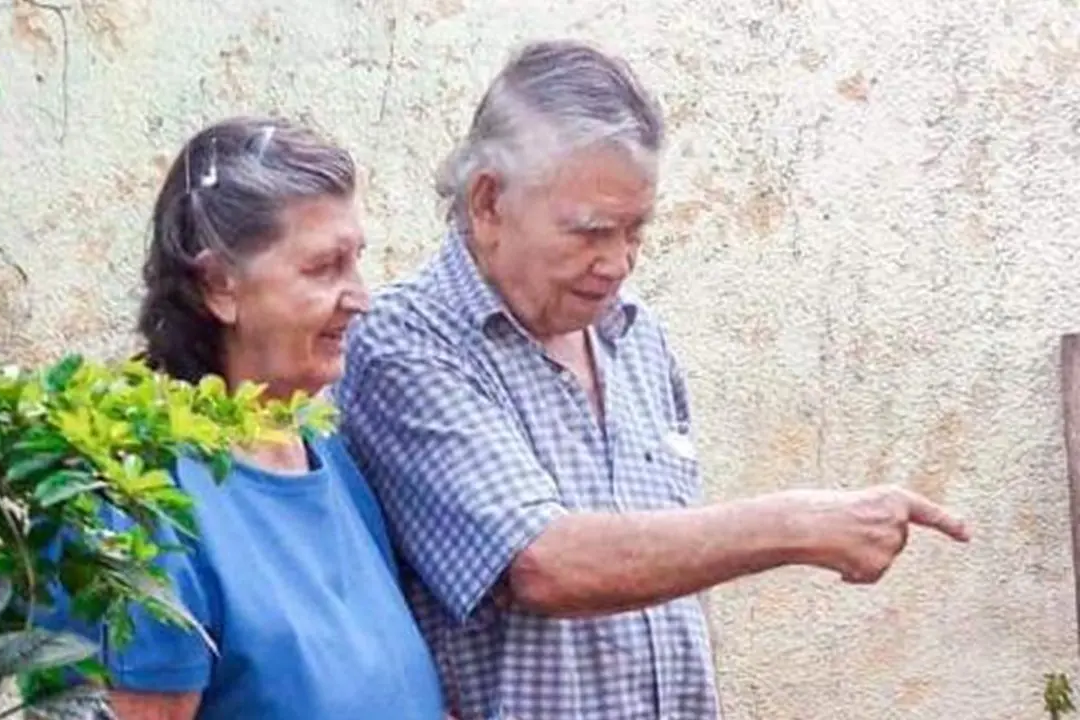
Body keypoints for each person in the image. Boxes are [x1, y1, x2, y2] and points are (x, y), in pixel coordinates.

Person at [333, 40, 972, 719]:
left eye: (637, 230)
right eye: (591, 232)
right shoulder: (406, 342)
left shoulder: (637, 336)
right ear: (488, 202)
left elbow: (666, 588)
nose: (618, 262)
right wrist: (795, 524)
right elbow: (542, 564)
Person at [38, 117, 445, 719]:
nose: (361, 297)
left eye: (357, 261)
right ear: (219, 285)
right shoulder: (138, 497)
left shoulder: (324, 454)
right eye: (323, 268)